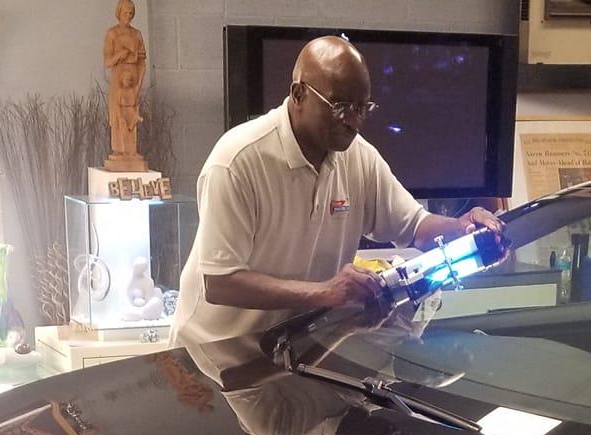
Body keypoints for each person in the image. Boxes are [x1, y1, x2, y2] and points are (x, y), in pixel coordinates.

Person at [171, 35, 502, 348]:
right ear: (298, 94)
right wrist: (325, 292)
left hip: (290, 347)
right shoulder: (236, 161)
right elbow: (220, 283)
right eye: (341, 106)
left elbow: (414, 226)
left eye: (362, 108)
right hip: (212, 353)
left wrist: (463, 227)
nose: (354, 122)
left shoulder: (359, 157)